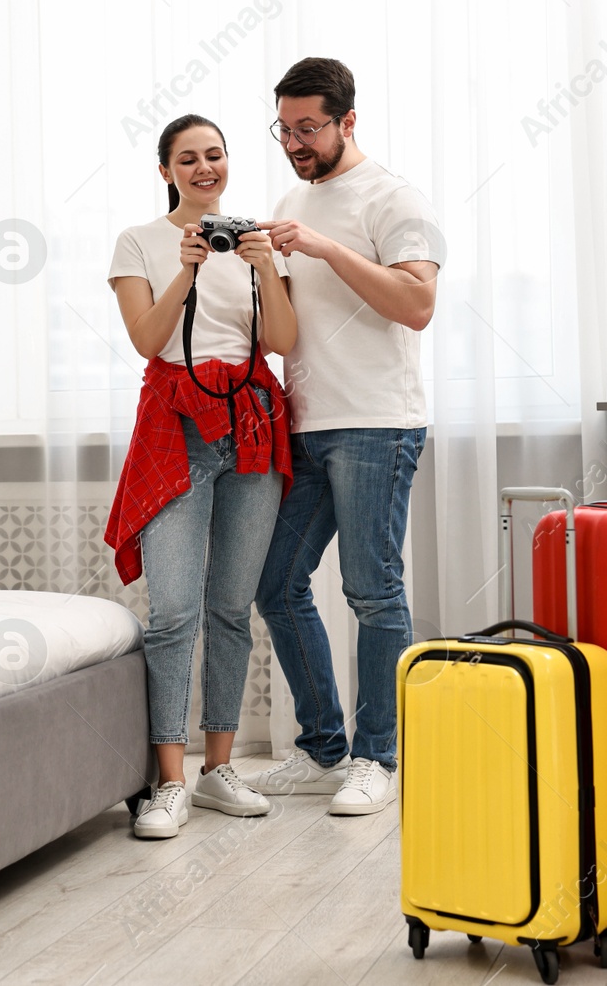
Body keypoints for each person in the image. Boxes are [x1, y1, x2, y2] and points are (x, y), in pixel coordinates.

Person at [249, 57, 442, 816]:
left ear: (347, 121)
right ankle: (325, 749)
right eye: (285, 129)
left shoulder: (396, 198)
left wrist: (325, 248)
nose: (295, 143)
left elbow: (418, 303)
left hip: (376, 422)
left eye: (309, 128)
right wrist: (263, 268)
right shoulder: (292, 196)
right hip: (307, 420)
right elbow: (286, 326)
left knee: (371, 589)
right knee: (276, 582)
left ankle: (377, 756)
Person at [104, 113, 298, 840]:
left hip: (250, 420)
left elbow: (280, 340)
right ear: (166, 171)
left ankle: (219, 769)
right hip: (175, 427)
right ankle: (170, 779)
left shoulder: (253, 243)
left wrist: (260, 267)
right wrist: (187, 267)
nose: (204, 167)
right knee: (174, 611)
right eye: (188, 158)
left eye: (215, 155)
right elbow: (148, 341)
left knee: (229, 607)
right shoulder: (140, 243)